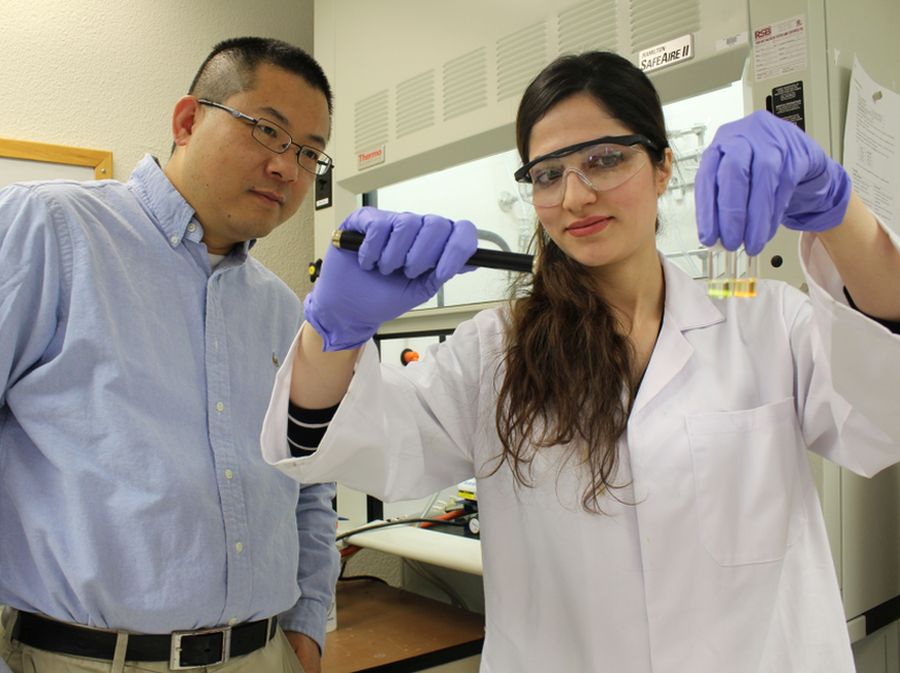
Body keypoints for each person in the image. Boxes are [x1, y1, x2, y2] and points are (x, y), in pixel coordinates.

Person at [260, 51, 900, 672]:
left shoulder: (767, 324)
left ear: (662, 166)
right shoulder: (496, 350)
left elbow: (885, 417)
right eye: (546, 174)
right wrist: (335, 330)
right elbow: (356, 449)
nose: (574, 197)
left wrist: (841, 212)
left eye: (604, 159)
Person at [0, 37, 339, 673]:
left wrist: (306, 626)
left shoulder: (283, 310)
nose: (288, 169)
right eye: (269, 131)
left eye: (310, 154)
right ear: (188, 121)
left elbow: (310, 483)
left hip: (264, 655)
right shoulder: (48, 229)